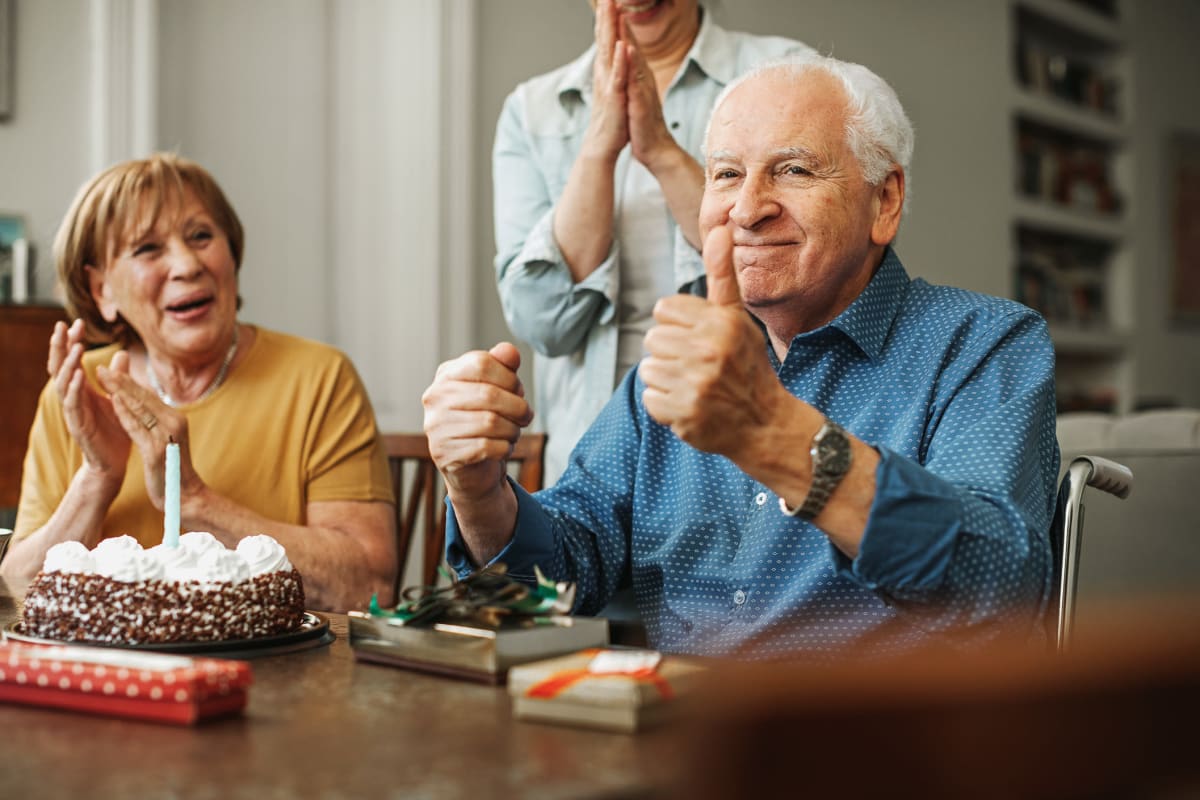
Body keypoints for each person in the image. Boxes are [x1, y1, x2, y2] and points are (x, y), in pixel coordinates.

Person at [423, 53, 1060, 658]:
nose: (748, 210)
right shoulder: (672, 365)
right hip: (674, 738)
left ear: (884, 200)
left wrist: (769, 435)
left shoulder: (984, 343)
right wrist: (479, 491)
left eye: (794, 170)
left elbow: (999, 587)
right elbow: (561, 576)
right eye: (726, 174)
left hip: (883, 749)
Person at [1, 154, 397, 612]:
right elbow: (14, 594)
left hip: (275, 673)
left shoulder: (320, 379)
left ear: (231, 252)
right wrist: (97, 478)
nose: (188, 265)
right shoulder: (78, 393)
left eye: (201, 236)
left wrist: (193, 499)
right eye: (148, 249)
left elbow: (369, 586)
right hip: (111, 676)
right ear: (101, 291)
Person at [494, 0, 812, 483]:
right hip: (589, 464)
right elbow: (542, 323)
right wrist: (601, 141)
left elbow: (793, 282)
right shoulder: (532, 111)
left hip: (742, 455)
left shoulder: (784, 77)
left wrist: (660, 150)